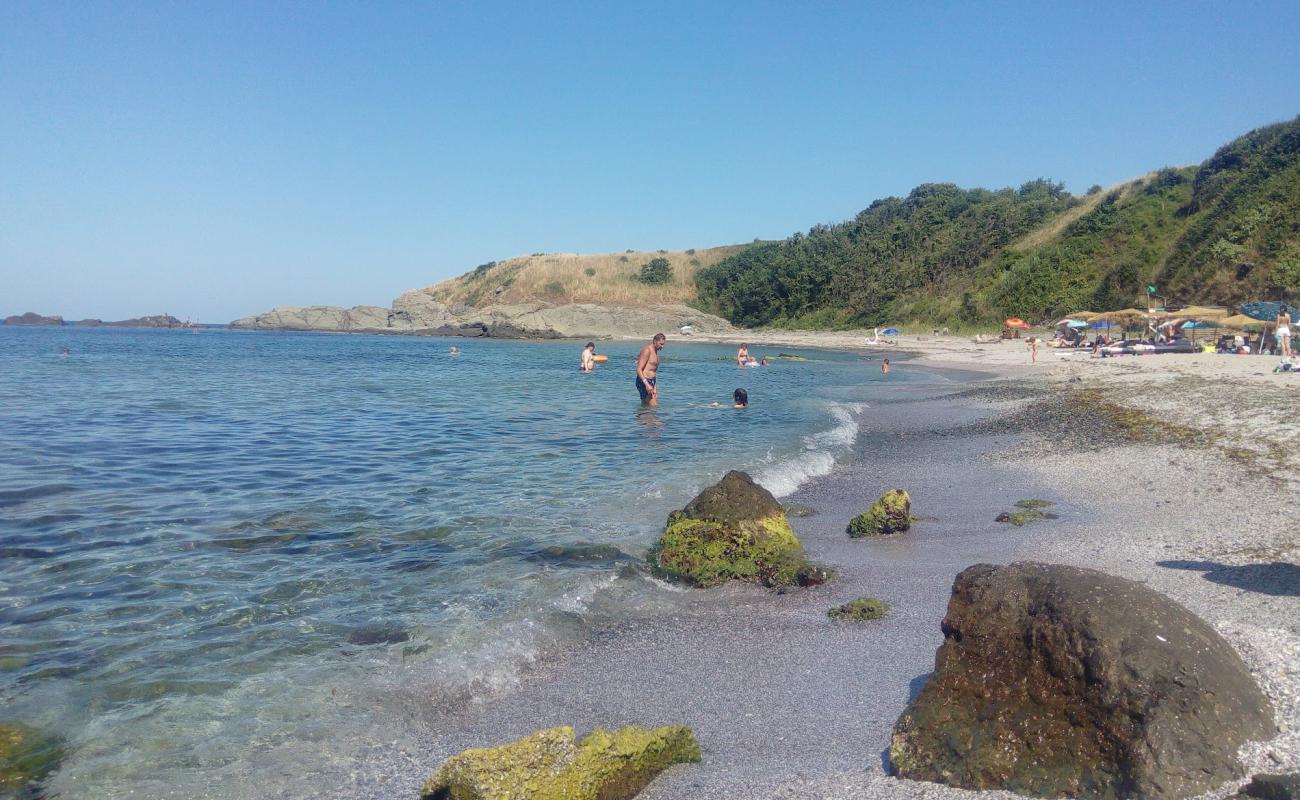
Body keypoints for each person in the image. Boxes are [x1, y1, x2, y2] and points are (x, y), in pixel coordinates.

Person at [636, 333, 665, 405]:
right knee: (653, 406)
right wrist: (647, 384)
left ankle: (641, 415)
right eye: (661, 344)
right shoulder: (647, 350)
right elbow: (639, 369)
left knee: (645, 405)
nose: (662, 346)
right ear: (654, 341)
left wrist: (655, 387)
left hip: (651, 381)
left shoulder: (657, 356)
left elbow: (654, 372)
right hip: (644, 380)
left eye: (663, 344)